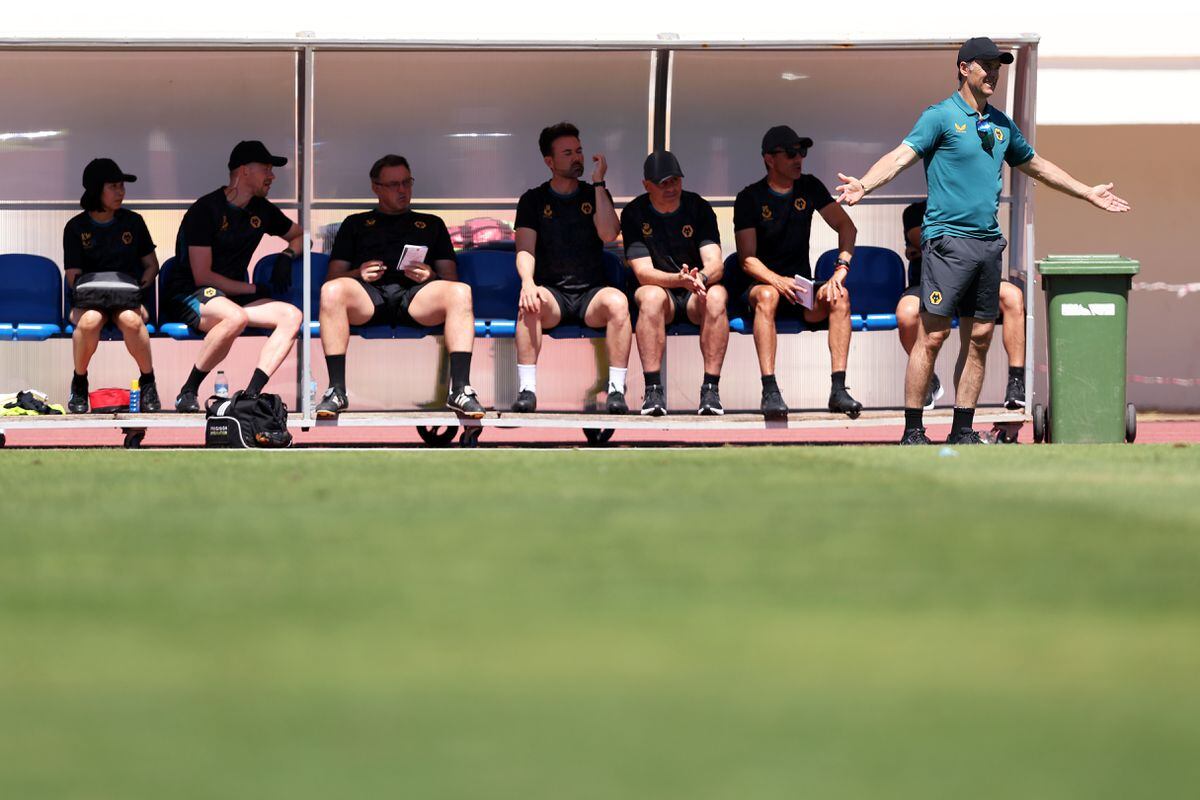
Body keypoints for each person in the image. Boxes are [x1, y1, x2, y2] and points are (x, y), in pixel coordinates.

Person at [835, 36, 1130, 444]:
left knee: (979, 338)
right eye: (986, 65)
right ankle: (913, 430)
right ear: (964, 68)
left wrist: (1086, 192)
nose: (994, 72)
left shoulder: (1002, 125)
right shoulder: (939, 116)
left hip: (988, 245)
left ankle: (962, 430)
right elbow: (901, 156)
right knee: (933, 335)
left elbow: (1038, 166)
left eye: (999, 66)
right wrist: (864, 185)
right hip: (947, 242)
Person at [314, 154, 483, 419]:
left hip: (417, 297)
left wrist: (430, 275)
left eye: (407, 182)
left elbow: (450, 279)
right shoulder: (355, 223)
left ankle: (460, 390)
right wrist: (359, 273)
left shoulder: (431, 223)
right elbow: (332, 278)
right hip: (368, 298)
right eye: (394, 185)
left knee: (461, 292)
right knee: (332, 292)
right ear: (376, 188)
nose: (403, 190)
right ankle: (336, 390)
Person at [734, 125, 862, 420]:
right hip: (762, 285)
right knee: (766, 295)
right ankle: (770, 391)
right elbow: (747, 260)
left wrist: (840, 269)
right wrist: (778, 281)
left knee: (840, 295)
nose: (798, 158)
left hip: (800, 291)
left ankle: (839, 390)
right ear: (769, 159)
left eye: (801, 152)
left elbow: (847, 227)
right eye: (791, 153)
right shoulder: (749, 197)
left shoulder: (810, 186)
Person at [165, 140, 304, 412]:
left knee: (292, 316)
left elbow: (301, 236)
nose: (272, 176)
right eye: (266, 168)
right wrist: (252, 289)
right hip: (191, 294)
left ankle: (250, 396)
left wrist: (288, 256)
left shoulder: (262, 208)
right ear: (244, 171)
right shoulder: (205, 210)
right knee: (234, 316)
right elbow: (203, 276)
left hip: (232, 299)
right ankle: (188, 392)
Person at [512, 122, 630, 414]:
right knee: (530, 303)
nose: (576, 157)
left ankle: (616, 390)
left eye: (579, 151)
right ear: (549, 162)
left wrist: (599, 184)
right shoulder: (533, 200)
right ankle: (527, 390)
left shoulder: (595, 193)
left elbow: (608, 234)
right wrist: (528, 283)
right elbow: (524, 248)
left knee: (618, 302)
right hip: (553, 294)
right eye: (568, 153)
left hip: (591, 294)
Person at [620, 151, 728, 416]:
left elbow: (716, 262)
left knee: (717, 296)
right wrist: (679, 280)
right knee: (650, 296)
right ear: (647, 185)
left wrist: (700, 278)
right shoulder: (634, 212)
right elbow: (643, 272)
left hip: (695, 292)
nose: (671, 188)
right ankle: (653, 390)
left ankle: (711, 390)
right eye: (663, 183)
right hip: (662, 290)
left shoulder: (698, 207)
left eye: (675, 181)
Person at [897, 200, 1027, 410]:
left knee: (1013, 296)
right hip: (929, 280)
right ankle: (928, 378)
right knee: (907, 313)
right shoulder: (914, 211)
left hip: (974, 278)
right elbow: (923, 238)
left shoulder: (974, 202)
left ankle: (1016, 381)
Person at [63, 158, 160, 413]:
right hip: (90, 302)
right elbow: (73, 276)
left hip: (127, 300)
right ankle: (79, 383)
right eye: (114, 186)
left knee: (131, 320)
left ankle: (148, 381)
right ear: (96, 190)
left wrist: (142, 286)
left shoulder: (134, 222)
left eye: (122, 186)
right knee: (90, 321)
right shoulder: (75, 227)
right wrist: (97, 293)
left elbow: (152, 265)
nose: (121, 192)